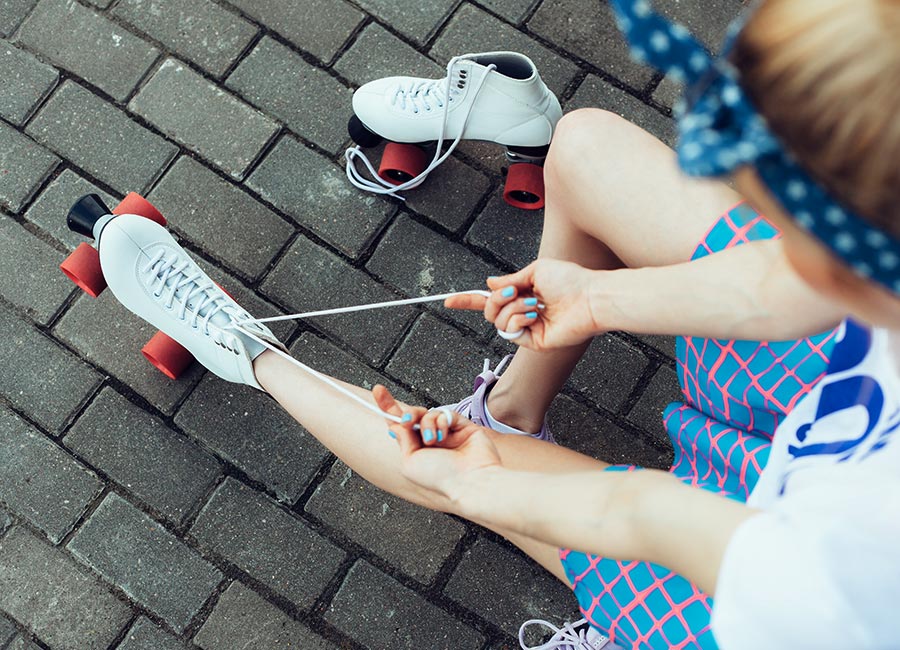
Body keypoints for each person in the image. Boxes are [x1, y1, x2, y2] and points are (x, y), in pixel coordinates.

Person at [90, 0, 899, 647]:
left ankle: (241, 349)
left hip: (754, 584)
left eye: (778, 210)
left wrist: (473, 486)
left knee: (436, 456)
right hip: (829, 405)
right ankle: (510, 409)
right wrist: (596, 300)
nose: (754, 215)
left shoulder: (835, 582)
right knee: (585, 148)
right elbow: (781, 280)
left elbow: (640, 515)